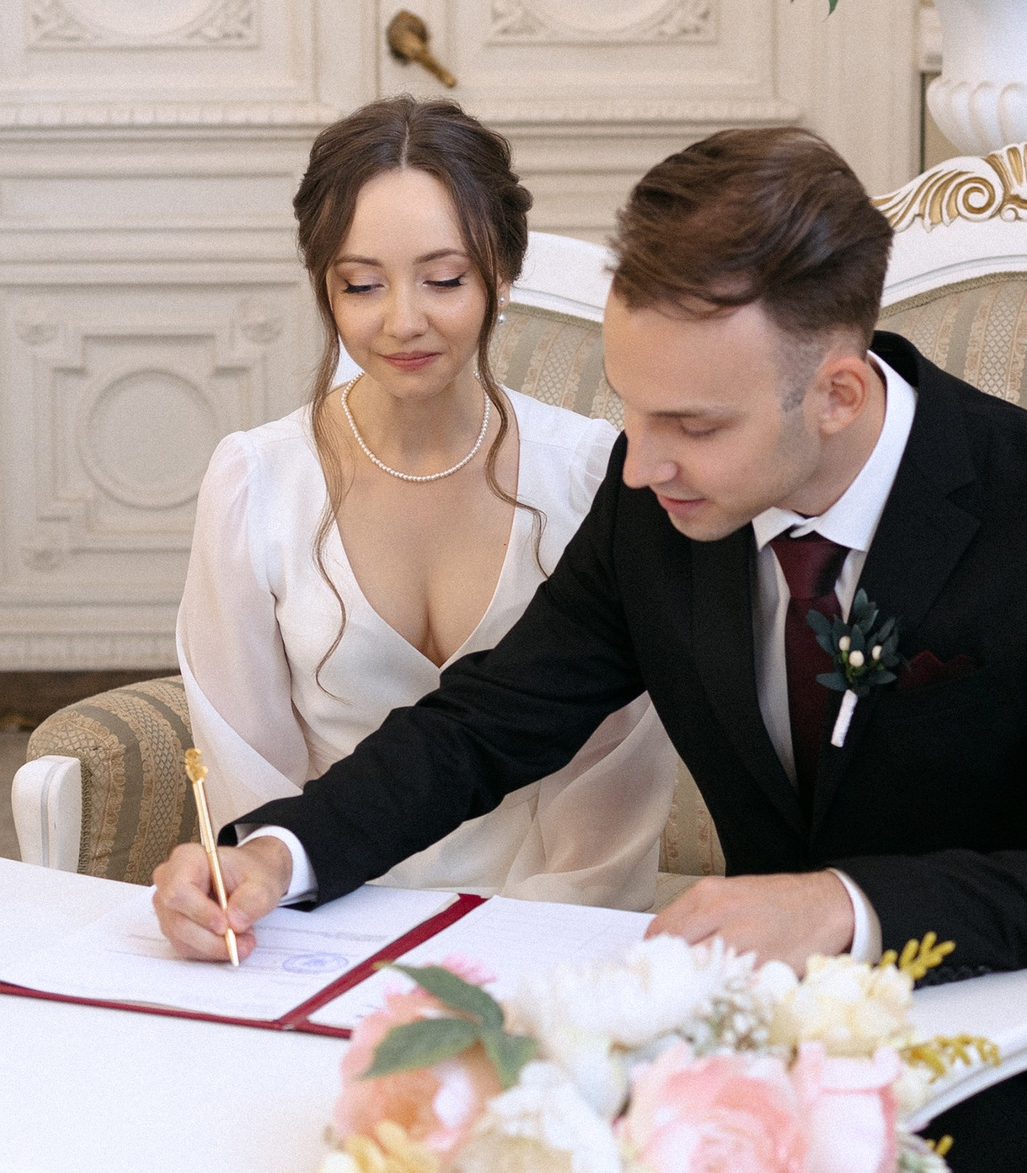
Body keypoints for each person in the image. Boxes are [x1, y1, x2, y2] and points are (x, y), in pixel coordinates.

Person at [151, 126, 1027, 1173]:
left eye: (694, 424)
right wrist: (275, 851)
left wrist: (836, 902)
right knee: (565, 1131)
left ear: (835, 390)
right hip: (768, 1030)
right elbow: (492, 716)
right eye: (632, 407)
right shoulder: (658, 498)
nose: (643, 459)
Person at [175, 96, 675, 912]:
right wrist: (285, 899)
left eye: (443, 279)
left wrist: (534, 954)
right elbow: (247, 769)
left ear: (502, 274)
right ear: (325, 290)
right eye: (362, 285)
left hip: (545, 935)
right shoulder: (254, 484)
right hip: (318, 910)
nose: (403, 321)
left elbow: (615, 775)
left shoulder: (589, 477)